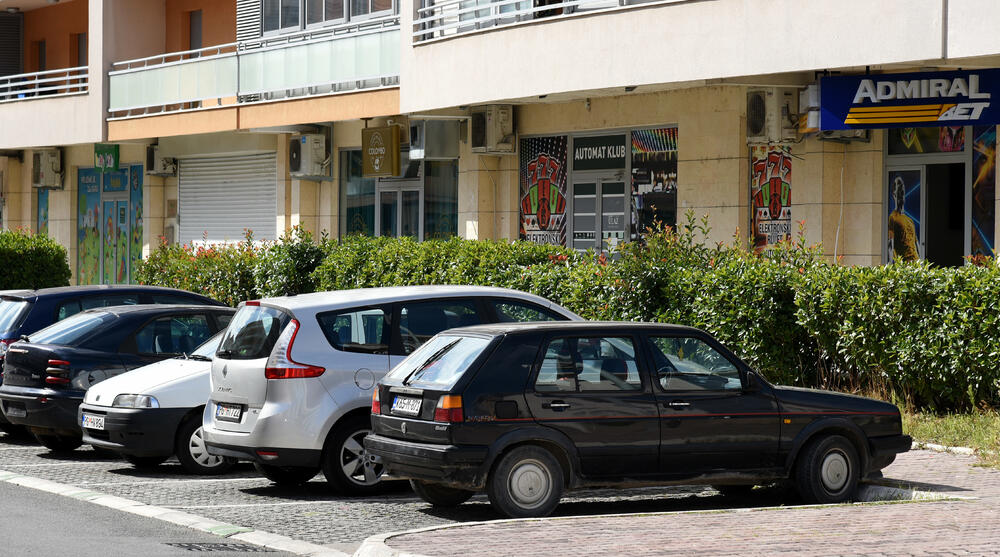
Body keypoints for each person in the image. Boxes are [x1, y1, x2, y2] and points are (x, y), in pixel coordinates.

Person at [887, 176, 919, 262]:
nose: (901, 195)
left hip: (916, 264)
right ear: (894, 195)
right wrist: (891, 265)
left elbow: (916, 243)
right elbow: (890, 244)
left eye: (902, 192)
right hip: (904, 265)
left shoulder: (910, 220)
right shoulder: (893, 217)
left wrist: (921, 263)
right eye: (898, 192)